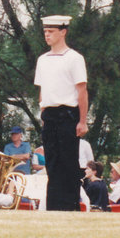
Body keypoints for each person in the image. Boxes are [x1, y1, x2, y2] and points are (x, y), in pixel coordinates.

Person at [34, 15, 88, 211]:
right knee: (52, 162)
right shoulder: (43, 60)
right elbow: (43, 90)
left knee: (68, 162)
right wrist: (42, 112)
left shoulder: (74, 58)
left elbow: (82, 90)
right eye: (45, 31)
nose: (47, 35)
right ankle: (54, 206)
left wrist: (82, 120)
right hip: (49, 114)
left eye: (51, 31)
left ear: (63, 32)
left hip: (68, 114)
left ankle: (71, 205)